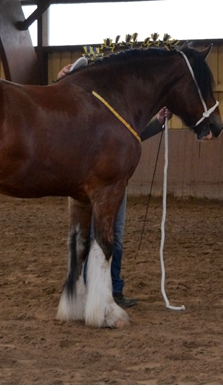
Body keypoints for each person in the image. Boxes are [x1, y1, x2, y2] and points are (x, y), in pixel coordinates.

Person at [57, 57, 169, 306]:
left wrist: (157, 123)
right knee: (98, 236)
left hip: (110, 183)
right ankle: (94, 289)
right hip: (96, 185)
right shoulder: (80, 116)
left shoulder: (106, 111)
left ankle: (109, 287)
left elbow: (130, 133)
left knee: (109, 236)